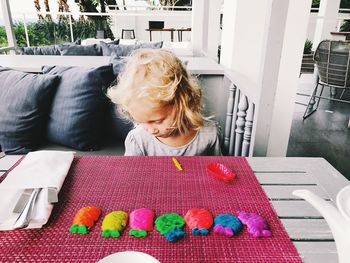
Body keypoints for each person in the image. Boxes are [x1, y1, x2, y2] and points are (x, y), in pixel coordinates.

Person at [107, 48, 222, 156]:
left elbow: (218, 169)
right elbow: (131, 175)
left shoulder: (208, 134)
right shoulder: (138, 140)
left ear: (182, 103)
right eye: (140, 122)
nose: (151, 130)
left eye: (158, 121)